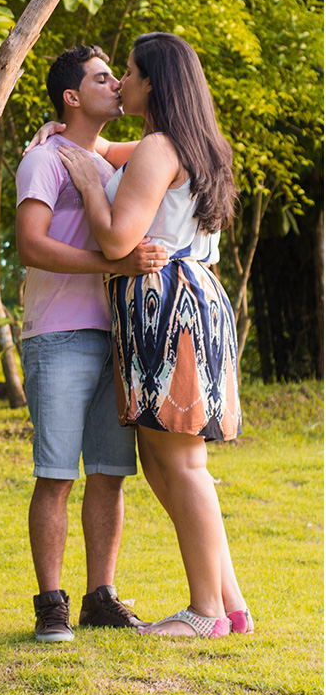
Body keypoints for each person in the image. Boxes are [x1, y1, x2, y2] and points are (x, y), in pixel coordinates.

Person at [54, 32, 252, 638]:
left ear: (156, 85)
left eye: (133, 74)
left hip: (164, 303)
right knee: (166, 457)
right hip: (190, 296)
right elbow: (115, 150)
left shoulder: (159, 147)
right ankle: (229, 603)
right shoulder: (190, 144)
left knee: (182, 461)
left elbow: (117, 241)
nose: (124, 84)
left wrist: (89, 186)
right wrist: (68, 142)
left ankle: (205, 615)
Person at [15, 45, 169, 642]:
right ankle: (50, 604)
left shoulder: (108, 162)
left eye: (119, 76)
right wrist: (115, 266)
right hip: (58, 336)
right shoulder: (44, 160)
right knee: (56, 474)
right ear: (72, 97)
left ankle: (99, 596)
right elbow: (31, 245)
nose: (117, 85)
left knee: (109, 473)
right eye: (104, 79)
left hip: (117, 338)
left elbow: (171, 143)